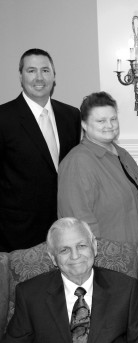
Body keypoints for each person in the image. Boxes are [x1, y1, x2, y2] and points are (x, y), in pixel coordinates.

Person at [0, 217, 138, 343]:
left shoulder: (125, 289)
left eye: (81, 246)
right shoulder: (30, 294)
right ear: (52, 257)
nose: (75, 256)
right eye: (64, 249)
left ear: (94, 246)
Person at [0, 48, 81, 252]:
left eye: (45, 70)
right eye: (31, 70)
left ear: (54, 76)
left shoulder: (71, 115)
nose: (39, 77)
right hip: (17, 231)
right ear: (20, 76)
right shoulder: (4, 118)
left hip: (64, 226)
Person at [58, 92, 138, 242]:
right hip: (106, 258)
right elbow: (80, 223)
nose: (109, 125)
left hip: (132, 251)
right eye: (101, 121)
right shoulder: (78, 162)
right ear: (84, 124)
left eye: (113, 119)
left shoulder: (122, 154)